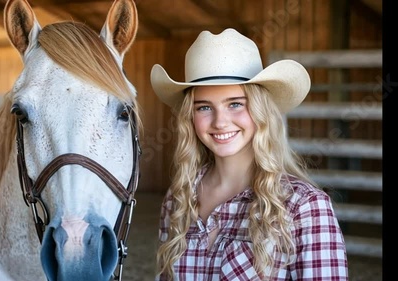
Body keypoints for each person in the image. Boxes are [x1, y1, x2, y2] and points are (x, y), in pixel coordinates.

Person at [149, 28, 348, 280]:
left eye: (235, 104)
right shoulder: (178, 200)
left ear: (259, 110)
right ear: (190, 116)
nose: (220, 122)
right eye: (204, 107)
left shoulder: (304, 206)